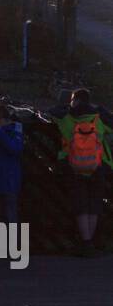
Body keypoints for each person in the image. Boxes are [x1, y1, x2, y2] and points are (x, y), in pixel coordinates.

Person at [52, 87, 113, 255]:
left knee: (81, 205)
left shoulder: (65, 118)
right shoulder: (98, 118)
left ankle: (85, 242)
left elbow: (52, 112)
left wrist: (67, 106)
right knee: (94, 204)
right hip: (97, 166)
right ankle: (91, 242)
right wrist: (100, 108)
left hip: (73, 166)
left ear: (75, 100)